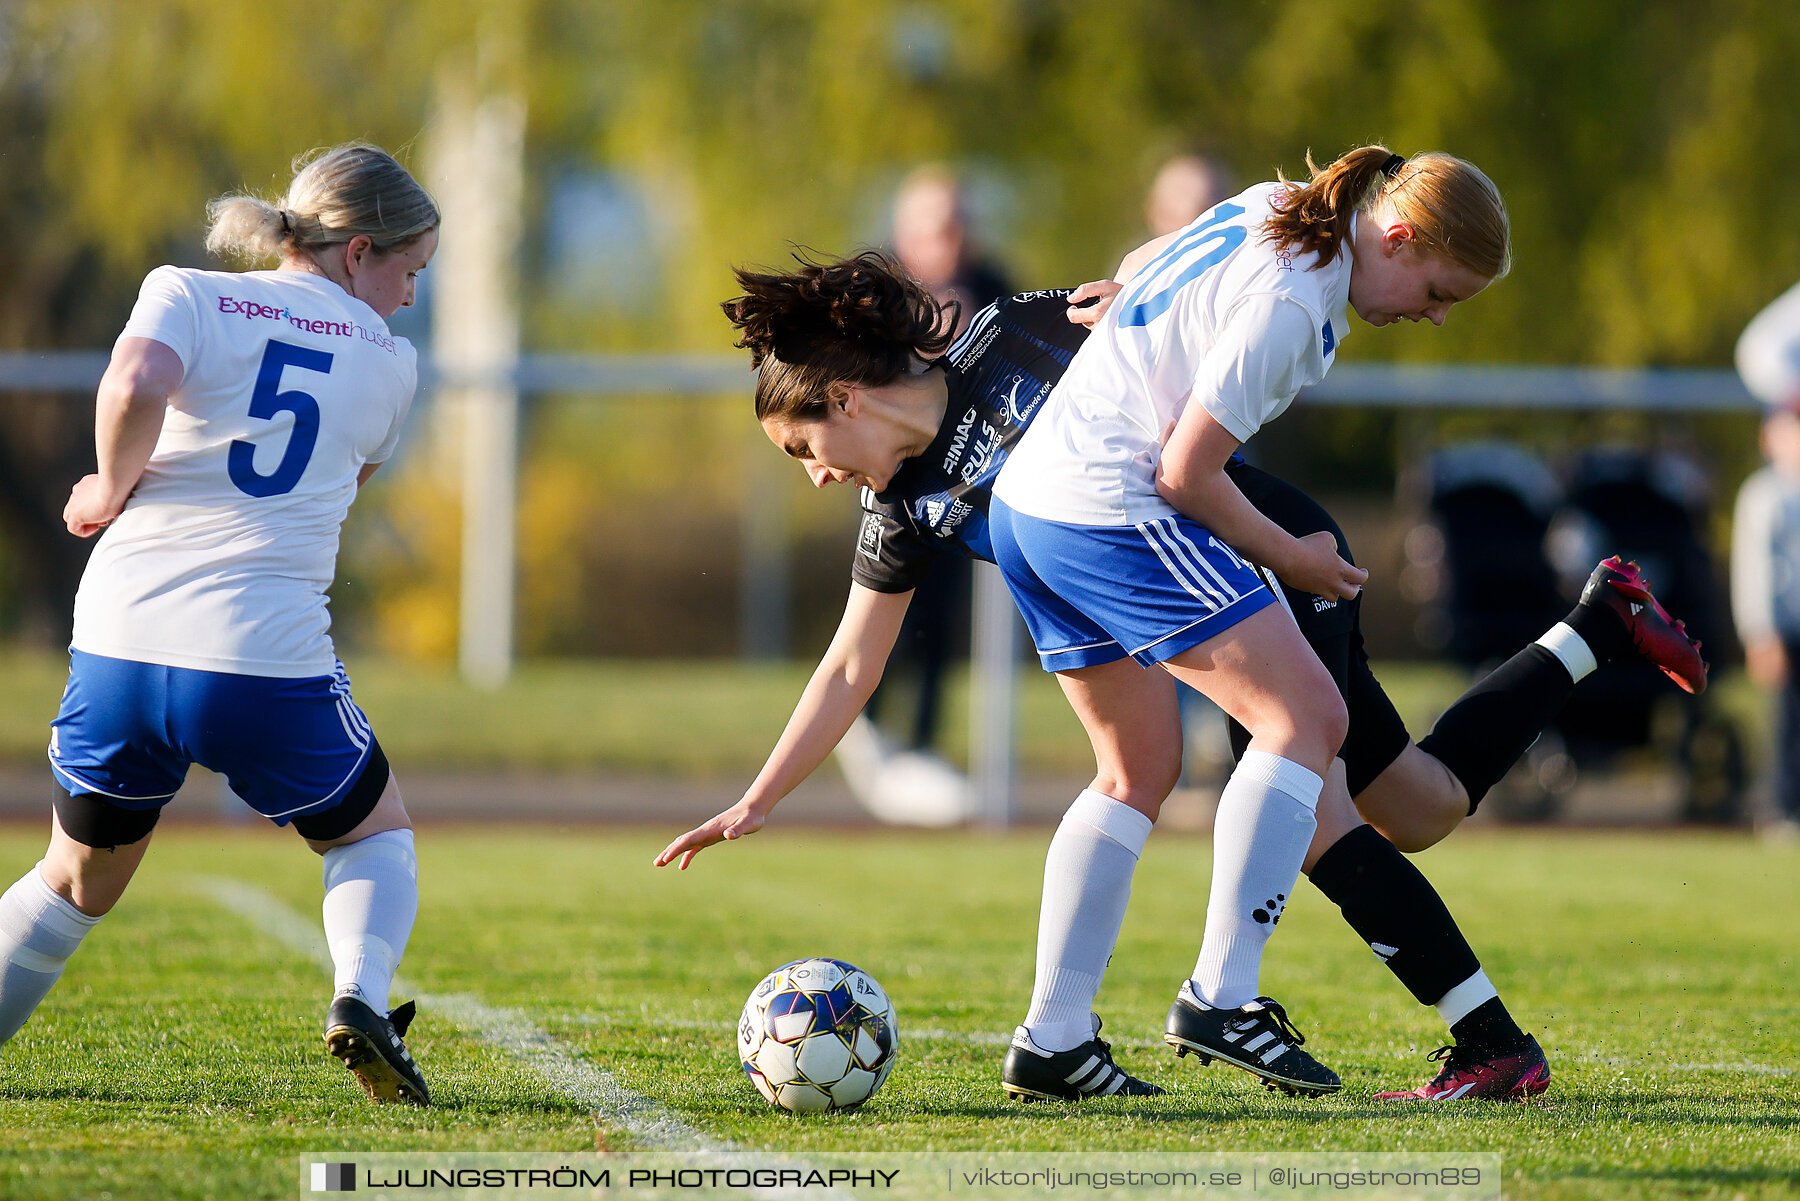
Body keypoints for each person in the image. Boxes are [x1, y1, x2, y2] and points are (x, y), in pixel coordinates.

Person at [656, 148, 1702, 1104]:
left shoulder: (1014, 331)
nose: (819, 475)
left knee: (1346, 797)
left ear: (844, 395)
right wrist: (756, 799)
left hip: (1220, 536)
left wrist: (1131, 285)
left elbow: (1181, 314)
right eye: (1434, 295)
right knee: (1331, 781)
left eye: (806, 448)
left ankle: (1438, 1026)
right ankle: (1186, 1012)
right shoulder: (904, 506)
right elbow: (851, 665)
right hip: (1128, 534)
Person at [0, 144, 438, 1107]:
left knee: (74, 882)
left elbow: (132, 384)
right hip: (258, 658)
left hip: (119, 636)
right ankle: (359, 998)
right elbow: (341, 484)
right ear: (359, 251)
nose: (409, 298)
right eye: (410, 271)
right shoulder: (393, 365)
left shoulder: (186, 290)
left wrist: (107, 487)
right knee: (373, 837)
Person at [839, 167, 1014, 825]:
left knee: (946, 619)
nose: (950, 237)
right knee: (888, 611)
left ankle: (922, 744)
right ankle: (869, 728)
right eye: (934, 224)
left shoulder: (993, 286)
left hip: (975, 488)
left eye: (956, 222)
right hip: (902, 488)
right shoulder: (874, 295)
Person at [1732, 281, 1800, 839]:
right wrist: (1761, 632)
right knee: (1786, 725)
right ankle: (1780, 809)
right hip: (1788, 631)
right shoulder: (1765, 497)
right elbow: (1754, 574)